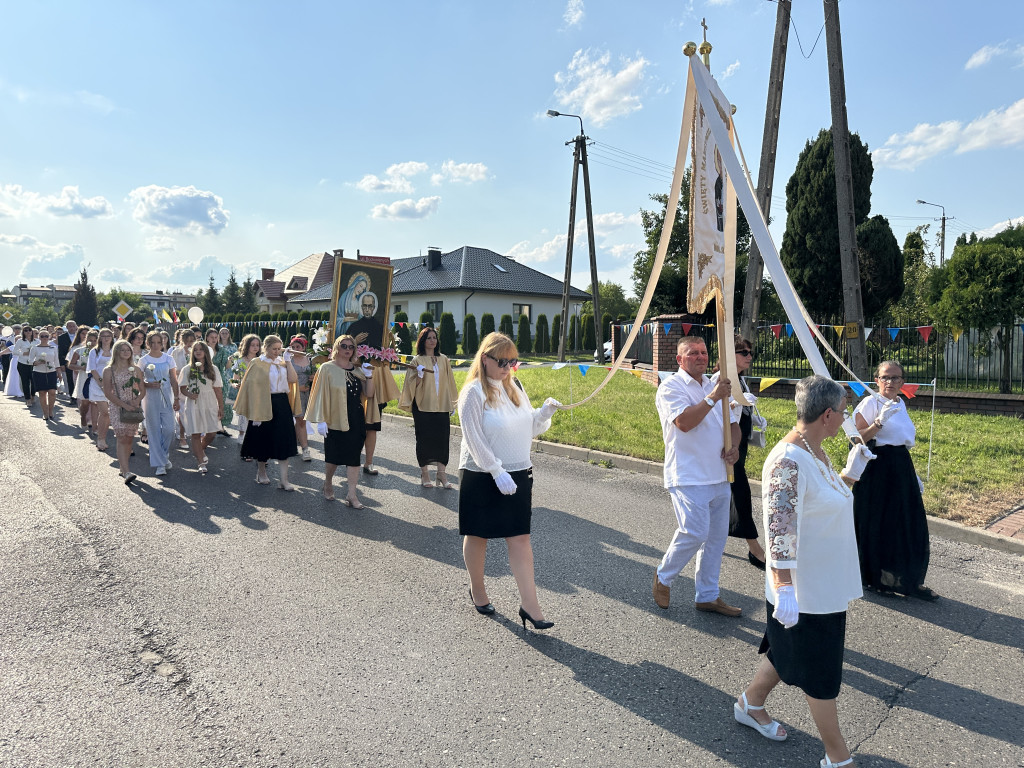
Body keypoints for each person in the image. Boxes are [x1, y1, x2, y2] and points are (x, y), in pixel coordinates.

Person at [734, 375, 874, 768]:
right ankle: (837, 755)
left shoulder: (816, 449)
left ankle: (750, 703)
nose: (846, 419)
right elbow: (779, 528)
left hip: (824, 582)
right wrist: (785, 589)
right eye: (843, 413)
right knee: (820, 672)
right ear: (827, 415)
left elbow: (821, 501)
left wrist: (852, 472)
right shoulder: (787, 460)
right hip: (805, 589)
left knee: (786, 651)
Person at [457, 332, 561, 629]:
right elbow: (473, 437)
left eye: (512, 361)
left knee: (520, 538)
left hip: (517, 471)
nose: (507, 367)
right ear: (485, 359)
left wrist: (544, 413)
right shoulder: (473, 393)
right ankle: (478, 589)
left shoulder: (514, 386)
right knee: (478, 535)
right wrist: (495, 470)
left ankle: (531, 605)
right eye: (502, 361)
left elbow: (529, 427)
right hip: (482, 472)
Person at [652, 336, 742, 616]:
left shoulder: (715, 384)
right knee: (695, 531)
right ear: (680, 359)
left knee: (716, 539)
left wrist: (735, 447)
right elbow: (684, 423)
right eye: (693, 353)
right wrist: (713, 397)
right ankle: (663, 576)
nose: (701, 357)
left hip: (719, 475)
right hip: (688, 475)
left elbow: (734, 425)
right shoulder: (671, 387)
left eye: (704, 352)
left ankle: (708, 595)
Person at [852, 361, 939, 601]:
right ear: (877, 380)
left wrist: (914, 475)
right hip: (876, 467)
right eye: (885, 377)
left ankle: (910, 580)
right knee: (878, 523)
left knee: (908, 524)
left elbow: (902, 440)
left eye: (895, 378)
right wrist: (878, 422)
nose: (890, 382)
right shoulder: (870, 403)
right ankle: (875, 580)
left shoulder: (900, 404)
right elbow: (857, 439)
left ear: (902, 382)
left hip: (901, 466)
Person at [711, 336, 767, 569]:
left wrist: (751, 416)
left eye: (750, 352)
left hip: (738, 445)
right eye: (743, 352)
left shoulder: (740, 380)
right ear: (728, 356)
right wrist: (734, 406)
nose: (749, 356)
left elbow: (737, 411)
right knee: (740, 494)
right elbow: (712, 409)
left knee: (724, 496)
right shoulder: (719, 379)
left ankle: (712, 537)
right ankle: (755, 548)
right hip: (725, 447)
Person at [305, 335, 375, 506]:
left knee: (354, 456)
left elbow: (369, 394)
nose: (347, 349)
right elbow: (320, 393)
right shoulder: (327, 368)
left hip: (355, 418)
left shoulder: (356, 370)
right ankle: (328, 482)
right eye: (344, 345)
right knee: (333, 457)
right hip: (334, 419)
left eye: (351, 347)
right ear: (337, 347)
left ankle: (352, 494)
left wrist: (370, 375)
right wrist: (321, 420)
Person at [234, 335, 301, 489]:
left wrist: (288, 361)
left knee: (284, 440)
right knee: (263, 439)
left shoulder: (283, 362)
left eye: (279, 349)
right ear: (266, 348)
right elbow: (250, 386)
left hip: (282, 403)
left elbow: (293, 379)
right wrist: (254, 410)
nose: (277, 352)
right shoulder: (257, 363)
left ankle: (284, 480)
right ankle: (262, 471)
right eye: (274, 349)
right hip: (263, 402)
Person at [399, 326, 459, 488]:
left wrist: (452, 401)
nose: (432, 341)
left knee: (442, 440)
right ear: (422, 341)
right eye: (429, 338)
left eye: (434, 337)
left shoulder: (444, 359)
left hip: (441, 406)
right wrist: (419, 375)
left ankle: (441, 474)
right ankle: (425, 473)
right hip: (423, 406)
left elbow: (450, 382)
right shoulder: (416, 361)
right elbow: (411, 386)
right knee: (424, 440)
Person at [102, 339, 146, 485]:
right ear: (116, 352)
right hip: (117, 406)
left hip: (133, 407)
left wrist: (137, 400)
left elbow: (142, 390)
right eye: (123, 350)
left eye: (128, 350)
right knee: (121, 437)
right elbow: (108, 393)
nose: (126, 352)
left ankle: (123, 467)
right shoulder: (109, 370)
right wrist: (123, 405)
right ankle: (127, 471)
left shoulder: (136, 369)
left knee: (129, 438)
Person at [177, 341, 224, 474]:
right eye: (195, 349)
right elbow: (183, 388)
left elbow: (218, 389)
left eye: (201, 349)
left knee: (212, 431)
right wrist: (190, 394)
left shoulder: (213, 369)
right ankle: (200, 461)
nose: (198, 351)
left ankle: (200, 449)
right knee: (195, 433)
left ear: (205, 352)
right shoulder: (188, 369)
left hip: (209, 402)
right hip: (194, 403)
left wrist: (221, 407)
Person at [140, 330, 180, 477]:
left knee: (170, 429)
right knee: (154, 430)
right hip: (150, 399)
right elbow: (139, 380)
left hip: (167, 398)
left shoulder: (169, 359)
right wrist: (148, 384)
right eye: (153, 343)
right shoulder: (143, 360)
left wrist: (177, 398)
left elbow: (174, 380)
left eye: (159, 342)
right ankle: (160, 464)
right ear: (148, 344)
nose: (156, 345)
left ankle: (163, 456)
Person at [227, 334, 262, 451]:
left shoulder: (261, 360)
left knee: (257, 415)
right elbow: (234, 378)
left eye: (257, 345)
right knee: (243, 415)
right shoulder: (241, 360)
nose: (255, 347)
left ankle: (256, 436)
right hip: (244, 392)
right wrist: (235, 384)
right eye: (252, 345)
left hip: (258, 392)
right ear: (247, 346)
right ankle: (242, 434)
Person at [286, 334, 314, 461]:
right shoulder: (288, 360)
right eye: (293, 346)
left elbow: (316, 373)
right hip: (293, 393)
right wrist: (298, 386)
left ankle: (300, 446)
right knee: (298, 419)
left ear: (303, 348)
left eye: (298, 346)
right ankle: (303, 448)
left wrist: (313, 378)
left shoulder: (310, 360)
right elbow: (283, 377)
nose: (295, 349)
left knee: (302, 420)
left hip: (308, 394)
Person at [87, 328, 116, 451]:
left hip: (113, 384)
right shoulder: (94, 351)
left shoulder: (116, 350)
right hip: (98, 384)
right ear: (100, 338)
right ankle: (101, 438)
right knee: (104, 411)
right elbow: (93, 369)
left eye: (108, 335)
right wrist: (102, 384)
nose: (106, 338)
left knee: (109, 413)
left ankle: (102, 435)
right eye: (103, 336)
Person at [172, 329, 196, 449]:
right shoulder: (176, 352)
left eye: (192, 341)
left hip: (193, 385)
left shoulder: (196, 351)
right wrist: (183, 372)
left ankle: (194, 434)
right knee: (182, 412)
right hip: (180, 384)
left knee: (192, 412)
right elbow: (172, 370)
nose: (189, 344)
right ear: (182, 340)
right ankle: (182, 436)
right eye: (187, 341)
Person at [30, 329, 60, 421]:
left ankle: (51, 411)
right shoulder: (34, 348)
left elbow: (56, 361)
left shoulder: (53, 348)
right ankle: (45, 413)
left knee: (52, 392)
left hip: (51, 372)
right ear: (39, 337)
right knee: (42, 393)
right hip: (39, 372)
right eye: (42, 336)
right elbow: (30, 361)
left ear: (49, 337)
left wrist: (59, 372)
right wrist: (37, 362)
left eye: (46, 336)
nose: (44, 338)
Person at [70, 329, 97, 430]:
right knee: (85, 402)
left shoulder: (100, 352)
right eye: (90, 340)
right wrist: (81, 367)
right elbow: (71, 365)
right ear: (86, 339)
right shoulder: (79, 351)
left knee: (96, 402)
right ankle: (83, 417)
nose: (92, 343)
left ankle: (95, 425)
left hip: (97, 378)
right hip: (84, 378)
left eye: (95, 340)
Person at [217, 327, 237, 432]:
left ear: (229, 334)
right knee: (221, 397)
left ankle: (226, 421)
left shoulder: (233, 346)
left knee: (229, 399)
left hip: (230, 373)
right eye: (222, 333)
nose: (224, 335)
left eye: (226, 333)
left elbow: (237, 359)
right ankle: (220, 423)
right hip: (220, 372)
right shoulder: (217, 346)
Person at [13, 326, 37, 405]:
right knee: (25, 382)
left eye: (29, 330)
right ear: (23, 332)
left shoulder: (36, 341)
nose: (28, 332)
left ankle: (33, 395)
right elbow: (14, 352)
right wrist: (23, 353)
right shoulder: (20, 341)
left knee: (34, 381)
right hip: (23, 363)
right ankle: (27, 399)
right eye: (26, 331)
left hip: (34, 364)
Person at [57, 323, 75, 403]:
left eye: (73, 326)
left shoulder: (80, 335)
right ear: (67, 328)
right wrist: (62, 364)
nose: (72, 328)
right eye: (70, 326)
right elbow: (60, 352)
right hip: (67, 361)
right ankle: (72, 397)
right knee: (70, 379)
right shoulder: (61, 337)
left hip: (79, 360)